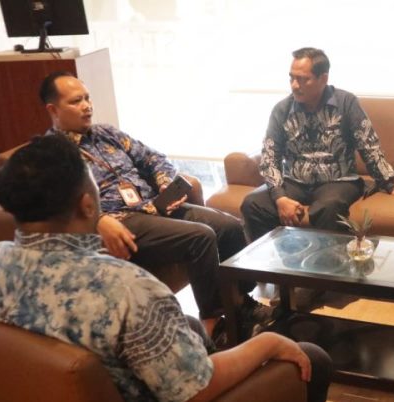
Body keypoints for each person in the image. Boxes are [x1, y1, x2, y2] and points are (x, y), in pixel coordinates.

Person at [0, 135, 332, 402]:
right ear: (88, 205)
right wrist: (268, 343)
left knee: (188, 326)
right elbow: (194, 391)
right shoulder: (128, 289)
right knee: (311, 357)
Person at [38, 71, 268, 341]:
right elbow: (60, 201)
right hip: (121, 220)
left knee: (229, 226)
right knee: (201, 236)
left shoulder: (106, 133)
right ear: (53, 110)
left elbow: (153, 158)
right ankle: (213, 323)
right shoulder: (51, 152)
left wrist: (165, 183)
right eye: (76, 101)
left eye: (87, 98)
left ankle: (241, 303)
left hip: (154, 206)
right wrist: (98, 220)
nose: (87, 106)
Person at [241, 47, 394, 241]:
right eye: (291, 78)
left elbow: (368, 144)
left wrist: (389, 184)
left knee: (328, 207)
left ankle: (329, 260)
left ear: (323, 78)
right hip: (294, 182)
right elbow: (270, 156)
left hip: (339, 181)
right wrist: (280, 198)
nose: (295, 85)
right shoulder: (282, 109)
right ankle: (273, 259)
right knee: (252, 204)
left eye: (303, 79)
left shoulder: (346, 102)